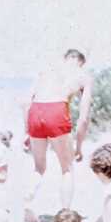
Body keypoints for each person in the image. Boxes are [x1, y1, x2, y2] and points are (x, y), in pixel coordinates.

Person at [24, 49, 94, 212]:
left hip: (35, 110)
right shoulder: (83, 76)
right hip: (57, 110)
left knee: (39, 168)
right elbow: (83, 118)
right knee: (67, 169)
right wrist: (78, 147)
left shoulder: (47, 70)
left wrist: (27, 131)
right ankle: (65, 214)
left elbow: (27, 102)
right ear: (81, 62)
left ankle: (26, 198)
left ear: (65, 58)